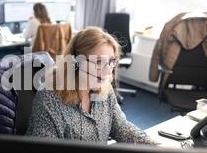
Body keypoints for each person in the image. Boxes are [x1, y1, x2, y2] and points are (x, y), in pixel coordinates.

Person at [25, 26, 157, 145]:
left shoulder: (105, 89)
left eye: (111, 61)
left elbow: (121, 127)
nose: (108, 70)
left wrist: (156, 147)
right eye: (98, 62)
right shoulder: (49, 98)